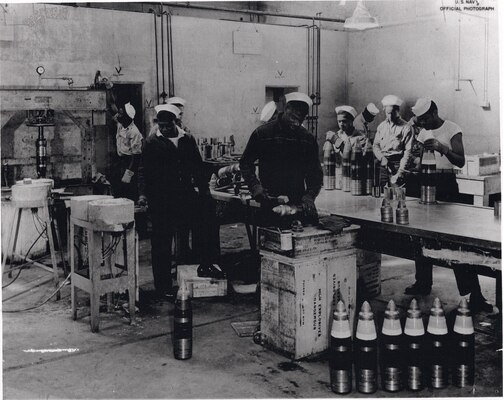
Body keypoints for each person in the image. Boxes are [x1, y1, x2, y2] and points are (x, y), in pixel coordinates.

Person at [404, 98, 493, 313]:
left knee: (456, 243)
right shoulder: (422, 132)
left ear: (435, 112)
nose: (423, 123)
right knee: (422, 235)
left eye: (425, 119)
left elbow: (460, 161)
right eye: (420, 120)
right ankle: (423, 282)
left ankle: (475, 296)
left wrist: (442, 148)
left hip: (446, 186)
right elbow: (417, 159)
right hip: (425, 183)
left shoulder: (452, 128)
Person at [138, 104, 223, 300]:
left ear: (175, 123)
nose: (164, 129)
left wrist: (204, 191)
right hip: (161, 199)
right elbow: (143, 171)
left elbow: (198, 167)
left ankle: (199, 274)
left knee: (199, 233)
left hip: (184, 195)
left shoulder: (187, 139)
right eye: (161, 126)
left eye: (168, 126)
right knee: (161, 243)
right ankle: (163, 286)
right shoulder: (152, 142)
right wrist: (143, 195)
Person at [239, 92, 323, 228]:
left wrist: (310, 196)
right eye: (294, 113)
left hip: (297, 204)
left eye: (302, 116)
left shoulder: (307, 139)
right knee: (268, 241)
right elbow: (245, 163)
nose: (298, 119)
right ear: (286, 108)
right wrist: (255, 186)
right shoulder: (262, 133)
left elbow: (316, 174)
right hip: (268, 202)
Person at [373, 95, 413, 188]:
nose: (390, 116)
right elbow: (376, 146)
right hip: (383, 164)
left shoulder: (406, 127)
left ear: (398, 111)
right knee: (383, 194)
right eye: (388, 113)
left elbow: (408, 152)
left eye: (392, 113)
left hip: (398, 165)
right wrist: (382, 158)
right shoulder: (381, 127)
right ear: (384, 111)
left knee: (398, 194)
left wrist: (401, 171)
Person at [111, 101, 143, 201]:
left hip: (129, 162)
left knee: (128, 187)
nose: (118, 115)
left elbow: (136, 156)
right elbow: (113, 109)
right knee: (117, 186)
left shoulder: (134, 132)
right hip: (120, 160)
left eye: (120, 114)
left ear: (127, 117)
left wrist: (128, 174)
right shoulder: (120, 125)